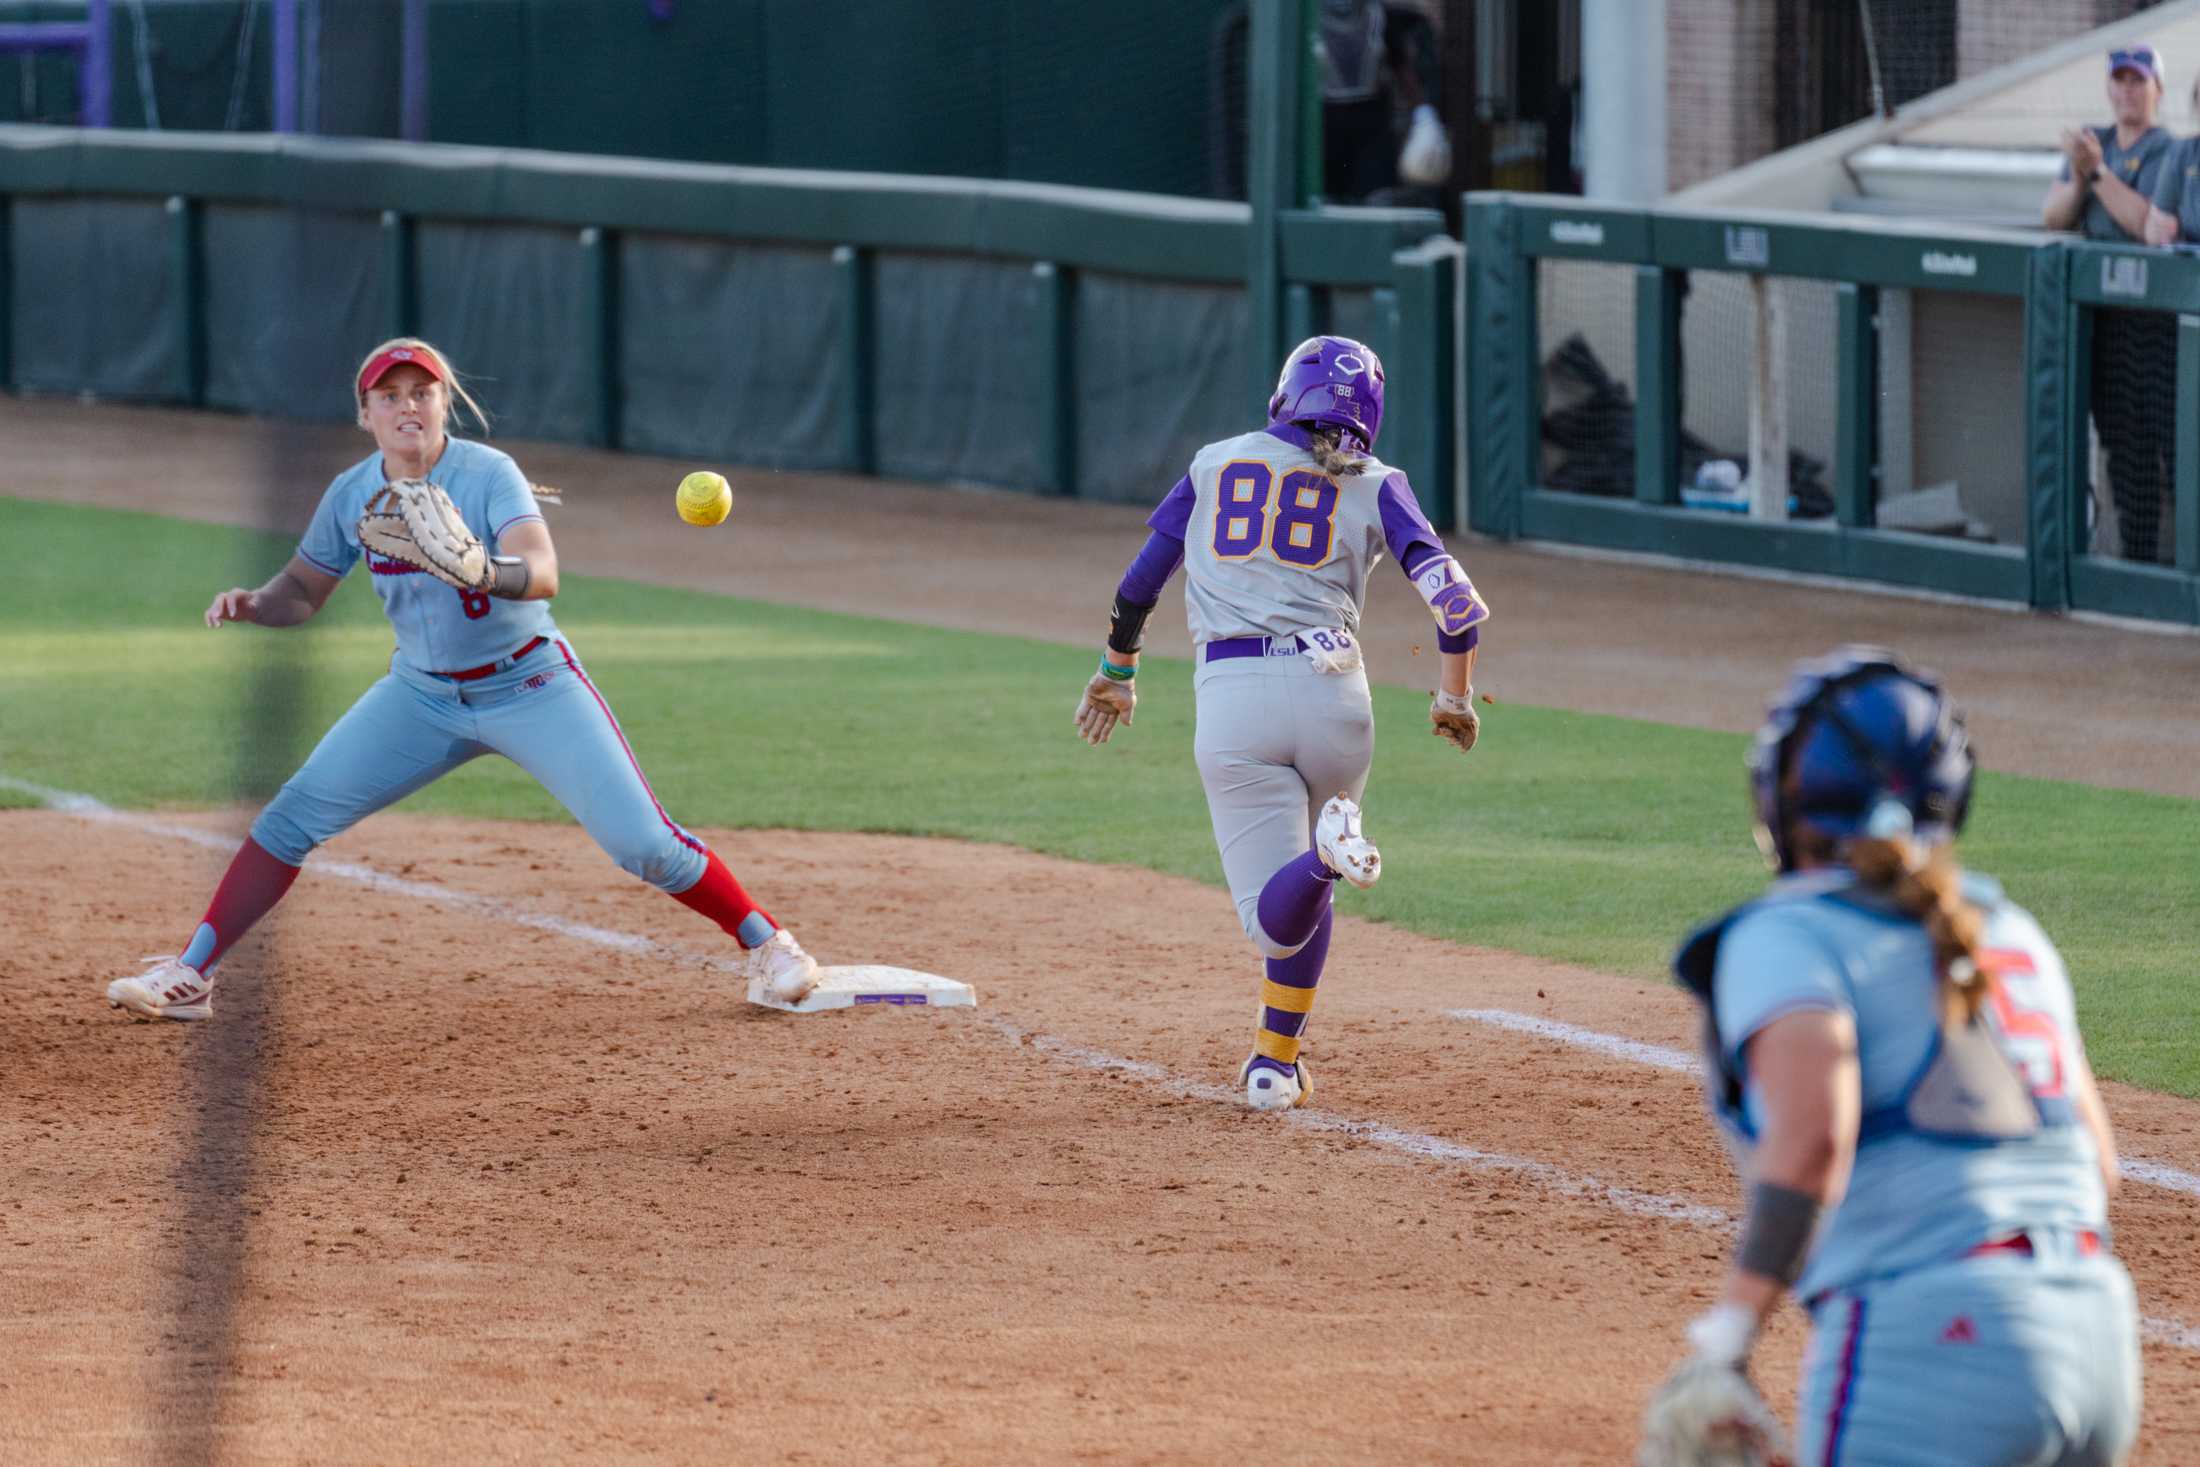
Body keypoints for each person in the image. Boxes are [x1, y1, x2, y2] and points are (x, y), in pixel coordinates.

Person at [104, 337, 819, 1021]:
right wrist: (257, 603)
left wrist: (486, 570)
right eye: (390, 396)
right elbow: (303, 587)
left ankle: (769, 945)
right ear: (366, 414)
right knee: (290, 819)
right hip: (421, 696)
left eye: (422, 391)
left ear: (445, 402)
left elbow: (543, 573)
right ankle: (192, 974)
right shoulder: (352, 492)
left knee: (642, 843)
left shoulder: (488, 473)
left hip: (533, 685)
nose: (407, 405)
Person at [1638, 648, 2140, 1467]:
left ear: (1788, 796)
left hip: (1935, 1342)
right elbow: (2098, 1165)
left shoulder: (1788, 934)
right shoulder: (2011, 933)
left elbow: (1810, 1146)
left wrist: (1726, 1337)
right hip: (2098, 1336)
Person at [1072, 335, 1489, 1111]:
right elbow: (1458, 607)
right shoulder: (1380, 481)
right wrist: (1453, 696)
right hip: (1338, 694)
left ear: (1284, 395)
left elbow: (1140, 585)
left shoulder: (1213, 461)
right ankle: (1273, 1063)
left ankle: (1329, 862)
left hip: (1237, 693)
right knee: (1306, 883)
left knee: (1276, 917)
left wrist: (1118, 672)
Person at [2043, 44, 2175, 565]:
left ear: (2156, 90)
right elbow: (2053, 216)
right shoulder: (2091, 146)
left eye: (2137, 81)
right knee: (2126, 456)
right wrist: (2080, 171)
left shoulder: (2171, 149)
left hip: (2164, 328)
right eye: (2119, 80)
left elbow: (2149, 224)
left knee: (2180, 450)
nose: (2127, 90)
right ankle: (2136, 566)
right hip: (2105, 327)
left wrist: (2098, 173)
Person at [1317, 0, 1451, 205]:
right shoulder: (1307, 19)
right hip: (1322, 124)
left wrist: (1425, 117)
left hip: (1370, 125)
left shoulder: (1379, 16)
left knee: (1376, 202)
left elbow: (1401, 67)